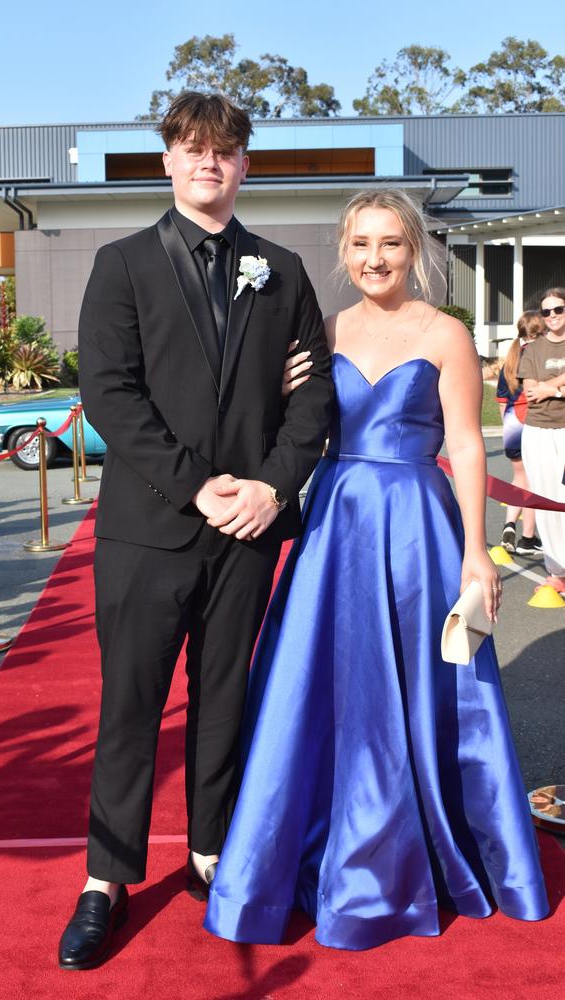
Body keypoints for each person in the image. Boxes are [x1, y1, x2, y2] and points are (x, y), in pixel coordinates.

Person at [204, 189, 549, 951]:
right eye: (361, 244)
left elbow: (465, 446)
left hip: (419, 528)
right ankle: (316, 844)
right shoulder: (324, 332)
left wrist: (474, 552)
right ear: (343, 250)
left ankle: (412, 850)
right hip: (338, 523)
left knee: (425, 690)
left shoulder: (447, 333)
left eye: (391, 243)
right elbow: (294, 430)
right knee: (327, 687)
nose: (375, 258)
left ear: (415, 248)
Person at [58, 92, 334, 970]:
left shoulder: (283, 270)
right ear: (168, 161)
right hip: (151, 528)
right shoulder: (122, 264)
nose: (208, 163)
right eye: (192, 148)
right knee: (130, 707)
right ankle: (106, 879)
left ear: (245, 165)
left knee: (227, 701)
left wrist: (269, 488)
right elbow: (110, 392)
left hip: (249, 530)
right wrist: (198, 485)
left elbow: (313, 400)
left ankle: (210, 851)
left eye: (225, 151)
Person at [517, 287, 565, 593]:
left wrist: (554, 390)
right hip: (539, 433)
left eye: (558, 310)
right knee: (547, 501)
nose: (552, 317)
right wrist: (558, 385)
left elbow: (544, 389)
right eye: (546, 312)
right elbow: (532, 393)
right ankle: (557, 570)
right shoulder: (533, 350)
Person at [496, 311, 544, 555]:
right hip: (534, 420)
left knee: (519, 479)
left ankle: (509, 524)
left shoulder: (511, 358)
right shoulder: (539, 356)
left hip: (512, 421)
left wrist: (508, 422)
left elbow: (502, 399)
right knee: (535, 483)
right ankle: (528, 538)